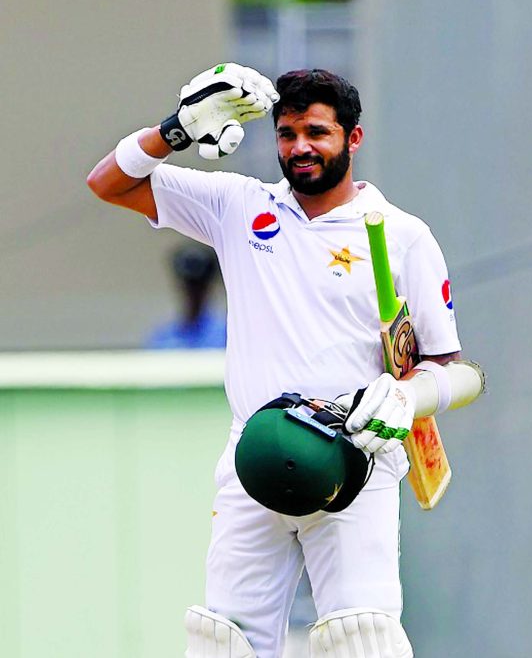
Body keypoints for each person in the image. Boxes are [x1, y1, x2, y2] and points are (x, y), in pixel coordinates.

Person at [87, 63, 466, 658]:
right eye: (287, 135)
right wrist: (176, 128)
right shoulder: (240, 206)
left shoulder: (402, 235)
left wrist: (407, 395)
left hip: (355, 461)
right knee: (223, 642)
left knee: (361, 638)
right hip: (254, 458)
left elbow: (453, 368)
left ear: (353, 138)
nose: (300, 148)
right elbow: (107, 183)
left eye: (317, 132)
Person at [146, 242, 227, 349]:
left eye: (200, 286)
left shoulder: (227, 335)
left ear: (209, 286)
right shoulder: (163, 338)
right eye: (189, 285)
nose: (194, 293)